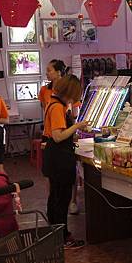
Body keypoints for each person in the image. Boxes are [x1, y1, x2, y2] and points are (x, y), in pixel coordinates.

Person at [42, 74, 88, 249]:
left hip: (55, 157)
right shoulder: (56, 107)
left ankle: (55, 234)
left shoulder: (56, 104)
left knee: (55, 197)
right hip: (59, 158)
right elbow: (58, 135)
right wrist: (77, 126)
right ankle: (62, 237)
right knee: (60, 199)